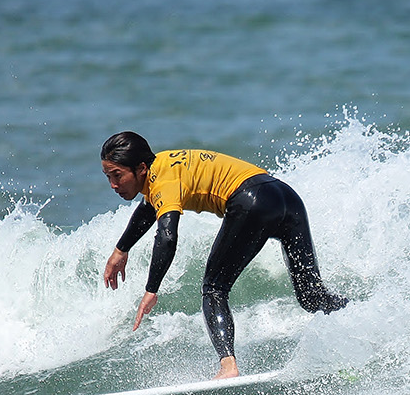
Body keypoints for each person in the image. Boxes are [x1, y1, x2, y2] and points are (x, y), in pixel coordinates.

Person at [99, 131, 347, 379]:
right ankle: (357, 314)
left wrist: (151, 290)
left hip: (251, 201)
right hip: (285, 197)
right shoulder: (162, 164)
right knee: (312, 297)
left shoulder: (163, 182)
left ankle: (228, 367)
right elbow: (148, 208)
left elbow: (167, 237)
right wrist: (121, 250)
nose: (113, 185)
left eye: (117, 175)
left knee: (214, 289)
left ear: (141, 169)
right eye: (108, 176)